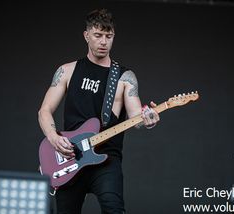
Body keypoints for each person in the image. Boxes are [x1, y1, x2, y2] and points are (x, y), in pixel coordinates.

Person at [38, 8, 160, 214]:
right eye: (98, 35)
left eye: (108, 36)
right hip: (70, 157)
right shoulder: (67, 70)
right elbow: (44, 110)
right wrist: (53, 137)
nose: (103, 41)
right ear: (86, 36)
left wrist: (148, 118)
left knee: (114, 209)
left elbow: (136, 116)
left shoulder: (124, 77)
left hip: (107, 160)